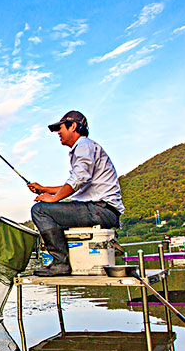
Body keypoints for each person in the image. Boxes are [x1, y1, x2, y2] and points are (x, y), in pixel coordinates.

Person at [27, 111, 124, 276]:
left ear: (73, 126)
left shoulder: (83, 145)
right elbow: (76, 183)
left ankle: (60, 263)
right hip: (102, 210)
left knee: (40, 210)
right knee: (50, 210)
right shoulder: (86, 147)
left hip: (99, 210)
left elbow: (78, 179)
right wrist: (44, 189)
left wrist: (54, 198)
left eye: (61, 127)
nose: (58, 132)